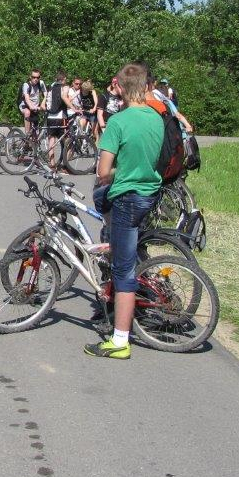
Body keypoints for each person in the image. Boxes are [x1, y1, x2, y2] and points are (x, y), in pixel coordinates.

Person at [85, 62, 164, 360]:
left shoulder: (118, 122)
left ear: (118, 87)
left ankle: (120, 340)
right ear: (146, 86)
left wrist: (119, 172)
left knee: (123, 270)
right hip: (149, 193)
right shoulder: (156, 117)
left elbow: (103, 171)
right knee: (121, 241)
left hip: (127, 197)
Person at [45, 70, 68, 167]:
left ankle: (52, 163)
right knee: (65, 139)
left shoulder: (51, 87)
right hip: (60, 116)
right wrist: (74, 108)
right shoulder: (64, 87)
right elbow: (64, 98)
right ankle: (66, 163)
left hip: (50, 116)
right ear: (64, 79)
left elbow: (46, 100)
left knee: (51, 139)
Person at [18, 68, 44, 136]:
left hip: (35, 107)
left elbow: (46, 95)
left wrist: (46, 105)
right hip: (25, 105)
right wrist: (31, 107)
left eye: (37, 77)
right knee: (27, 112)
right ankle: (27, 134)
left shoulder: (41, 84)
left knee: (36, 132)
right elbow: (27, 98)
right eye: (33, 77)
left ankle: (34, 137)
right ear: (30, 77)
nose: (36, 79)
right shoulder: (26, 85)